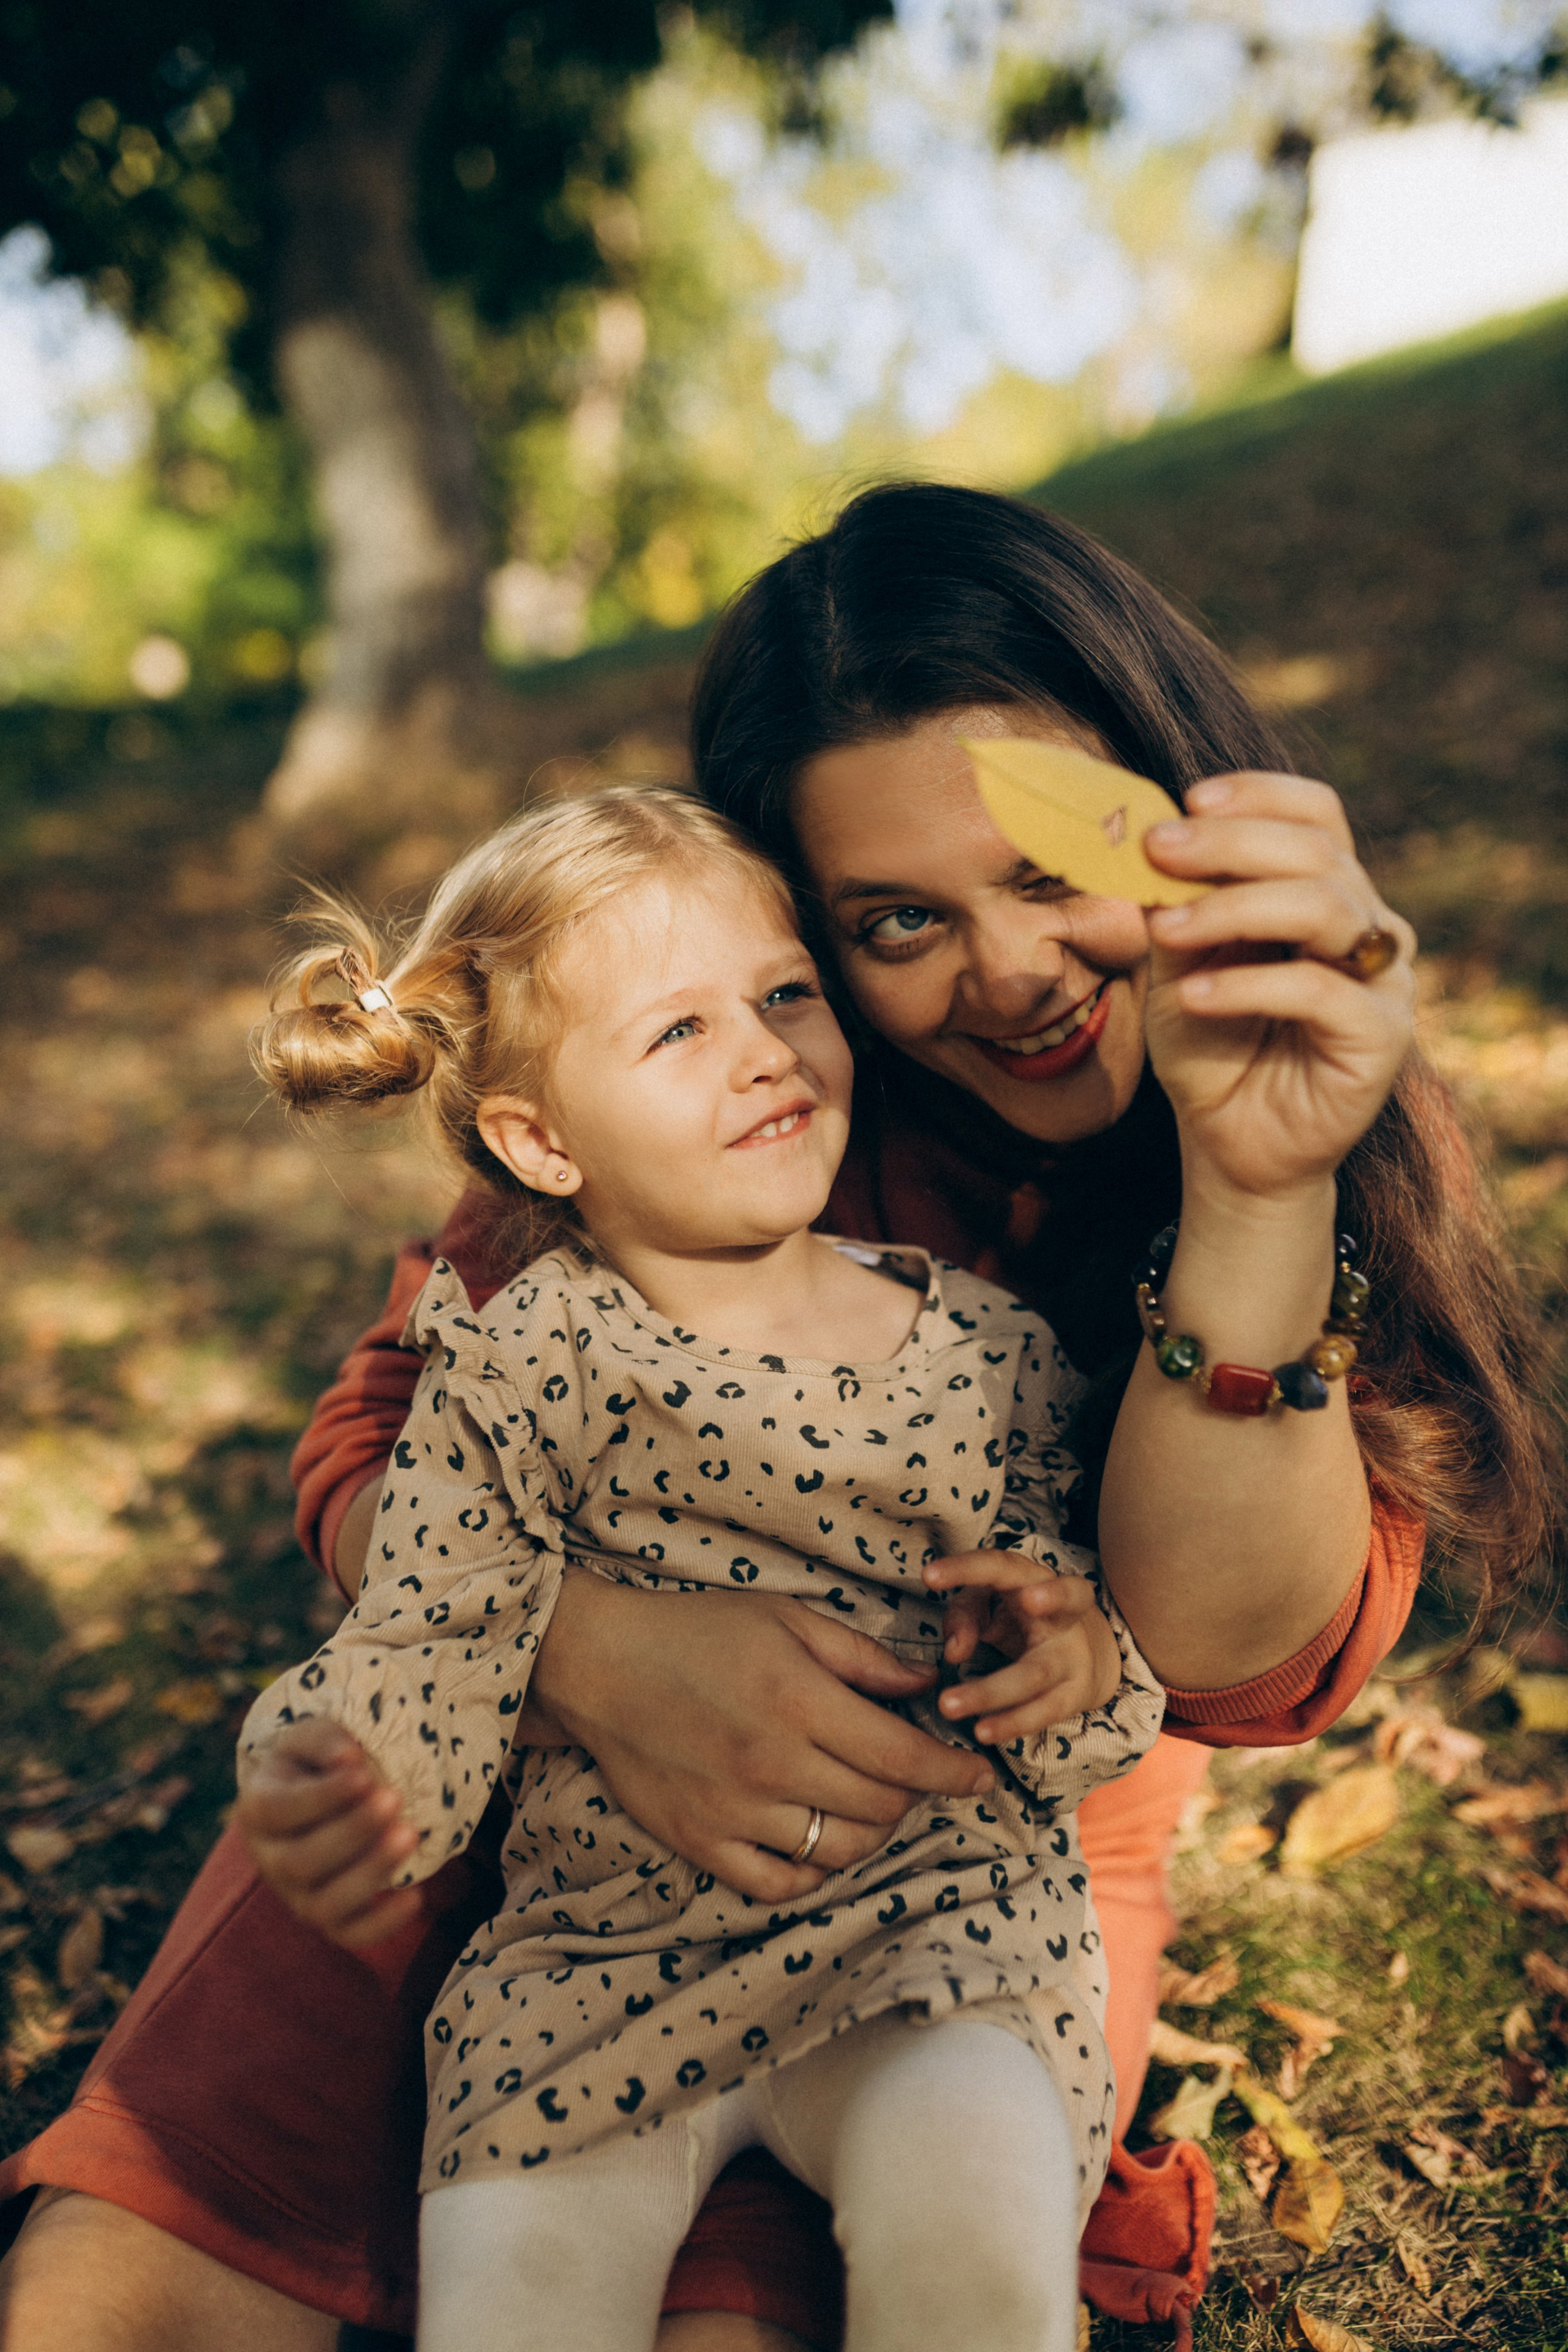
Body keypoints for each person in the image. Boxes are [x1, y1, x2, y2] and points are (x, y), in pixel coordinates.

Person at [1, 485, 1551, 2352]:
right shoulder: (728, 1125)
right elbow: (384, 1437)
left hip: (966, 1858)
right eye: (895, 921)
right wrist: (595, 1649)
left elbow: (1222, 1662)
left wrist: (1253, 1195)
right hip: (544, 1824)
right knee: (120, 2286)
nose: (1012, 978)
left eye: (1057, 874)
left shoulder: (1296, 1099)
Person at [235, 783, 1166, 2352]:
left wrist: (1061, 1656)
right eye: (678, 1032)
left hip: (926, 1925)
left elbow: (1089, 1667)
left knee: (978, 2229)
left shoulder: (982, 1350)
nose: (763, 1050)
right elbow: (434, 1629)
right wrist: (340, 1770)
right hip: (591, 1966)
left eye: (785, 992)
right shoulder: (517, 1363)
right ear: (538, 1140)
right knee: (512, 2302)